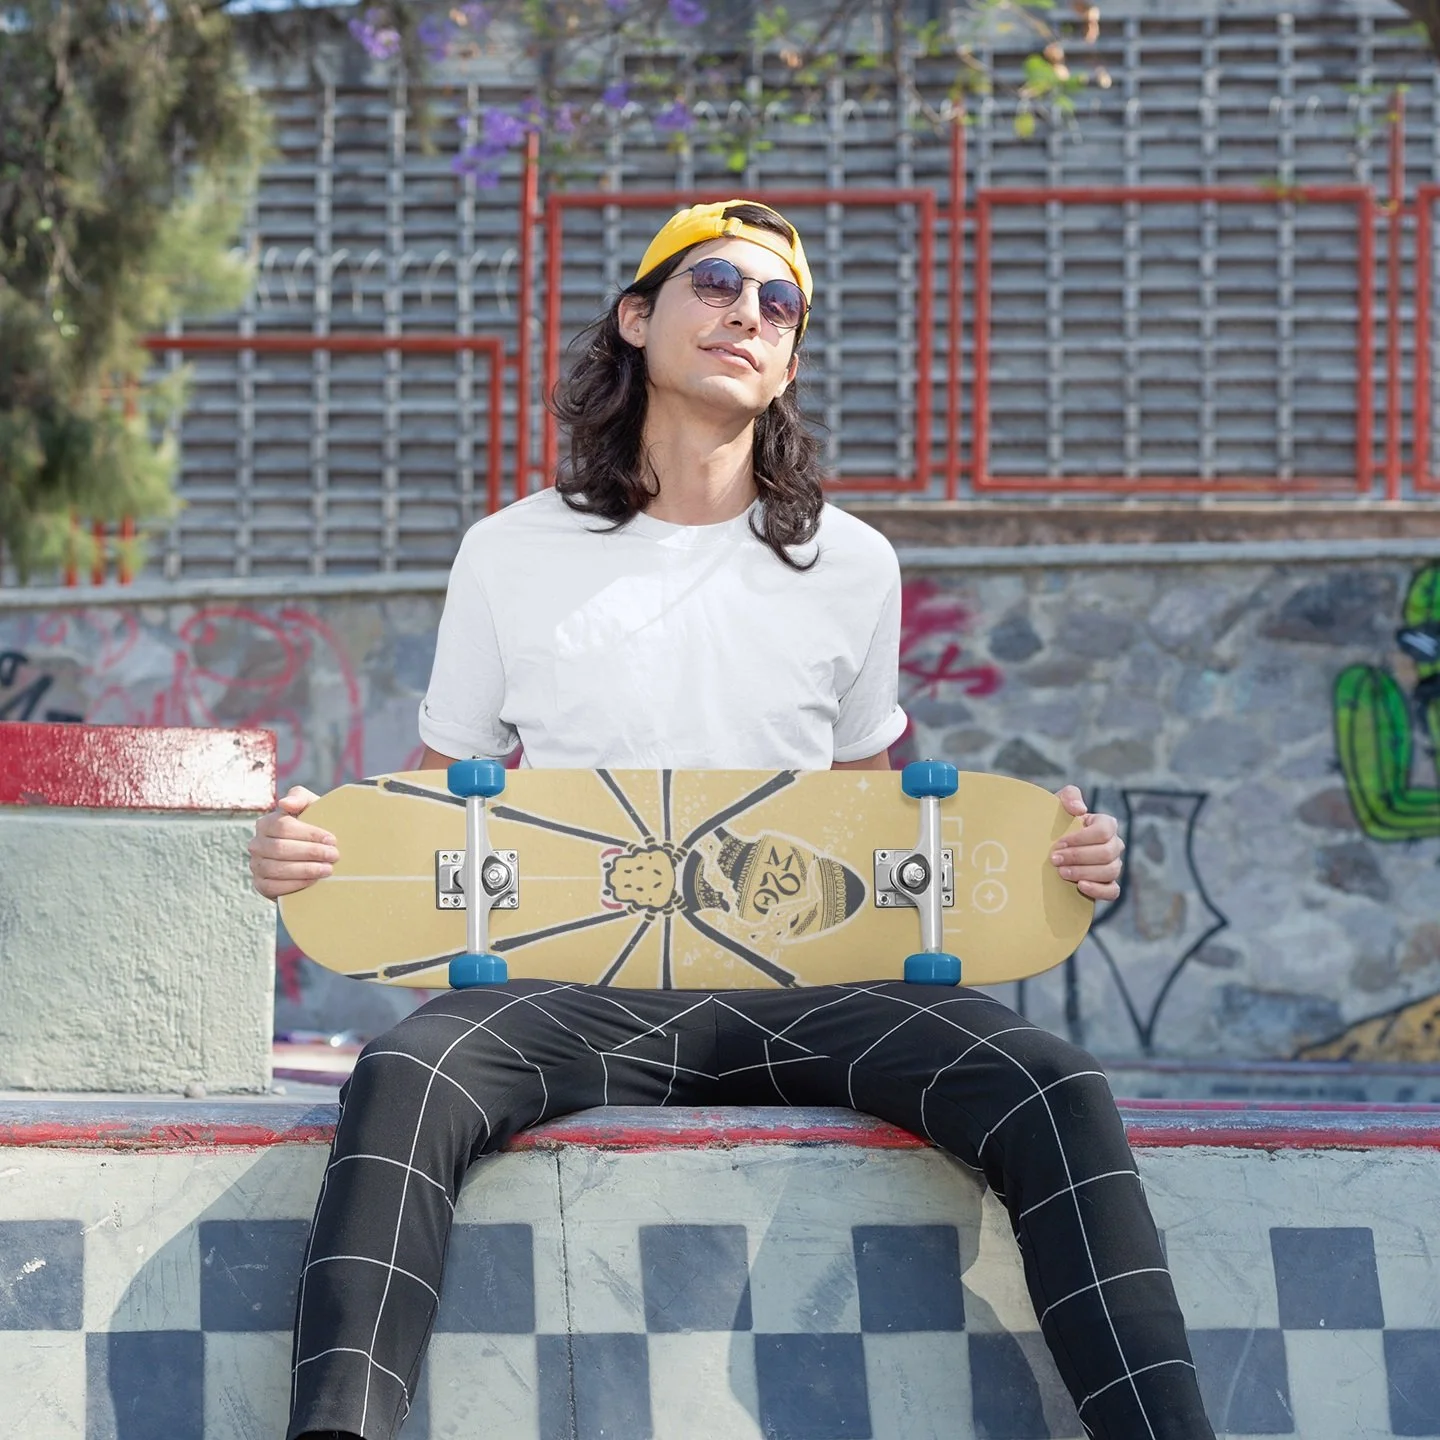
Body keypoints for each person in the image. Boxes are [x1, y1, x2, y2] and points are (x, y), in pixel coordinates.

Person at [251, 199, 1216, 1440]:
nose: (747, 316)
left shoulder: (852, 563)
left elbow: (882, 804)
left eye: (779, 306)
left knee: (1052, 1085)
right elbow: (439, 796)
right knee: (402, 1072)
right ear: (638, 317)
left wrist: (1048, 859)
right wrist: (318, 849)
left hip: (809, 990)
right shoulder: (510, 552)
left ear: (792, 359)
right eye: (714, 284)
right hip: (576, 987)